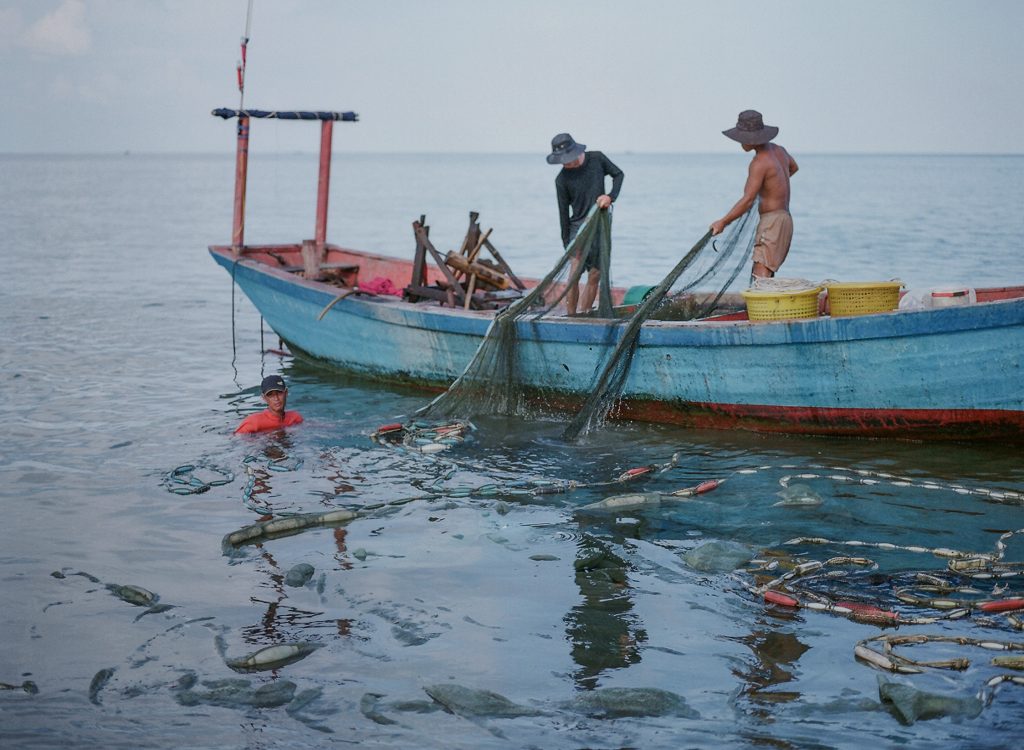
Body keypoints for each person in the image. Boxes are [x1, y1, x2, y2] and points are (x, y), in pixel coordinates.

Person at [710, 110, 798, 280]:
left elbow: (748, 200)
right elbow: (793, 168)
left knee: (760, 274)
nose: (739, 142)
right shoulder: (779, 151)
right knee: (767, 273)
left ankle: (761, 307)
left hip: (772, 223)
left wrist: (722, 222)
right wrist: (773, 187)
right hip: (785, 220)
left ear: (750, 138)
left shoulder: (759, 163)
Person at [547, 133, 624, 315]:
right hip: (578, 228)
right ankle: (571, 317)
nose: (566, 164)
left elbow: (618, 175)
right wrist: (567, 243)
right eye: (562, 161)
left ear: (576, 152)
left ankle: (585, 313)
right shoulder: (562, 180)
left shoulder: (597, 159)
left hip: (600, 224)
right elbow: (563, 215)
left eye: (568, 159)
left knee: (595, 274)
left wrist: (610, 196)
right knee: (574, 273)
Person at [235, 375, 304, 434]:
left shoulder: (295, 418)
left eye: (279, 393)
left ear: (286, 393)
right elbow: (236, 439)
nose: (276, 398)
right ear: (264, 398)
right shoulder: (254, 422)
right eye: (270, 395)